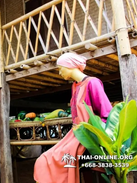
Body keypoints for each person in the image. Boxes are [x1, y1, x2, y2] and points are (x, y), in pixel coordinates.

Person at [33, 52, 112, 183]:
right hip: (75, 134)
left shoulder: (93, 83)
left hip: (89, 136)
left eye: (60, 68)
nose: (59, 73)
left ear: (69, 66)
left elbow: (106, 114)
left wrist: (99, 140)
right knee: (44, 160)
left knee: (54, 160)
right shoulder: (75, 86)